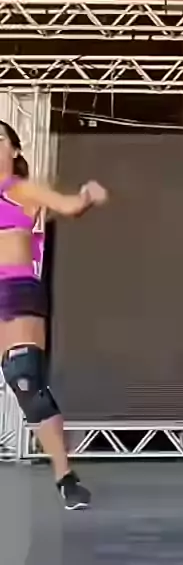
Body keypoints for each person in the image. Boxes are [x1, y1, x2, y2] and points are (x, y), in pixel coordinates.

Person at [0, 121, 108, 510]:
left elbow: (69, 206)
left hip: (14, 290)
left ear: (14, 149)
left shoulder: (22, 190)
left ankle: (65, 476)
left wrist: (87, 195)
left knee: (25, 379)